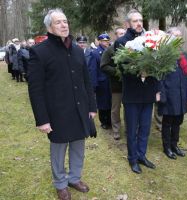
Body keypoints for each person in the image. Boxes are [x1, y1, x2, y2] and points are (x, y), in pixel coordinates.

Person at [27, 9, 97, 200]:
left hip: (79, 109)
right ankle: (60, 183)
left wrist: (91, 107)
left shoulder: (77, 50)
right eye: (58, 22)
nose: (64, 25)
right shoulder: (39, 52)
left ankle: (74, 178)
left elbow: (86, 81)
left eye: (65, 21)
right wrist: (42, 120)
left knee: (78, 147)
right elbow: (35, 89)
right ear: (49, 27)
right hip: (56, 112)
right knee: (58, 149)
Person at [114, 9, 159, 174]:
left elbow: (159, 64)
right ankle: (132, 158)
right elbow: (121, 67)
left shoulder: (151, 40)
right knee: (132, 129)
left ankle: (142, 155)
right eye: (135, 21)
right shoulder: (121, 42)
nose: (139, 23)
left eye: (140, 20)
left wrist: (155, 85)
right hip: (132, 93)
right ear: (127, 24)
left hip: (148, 93)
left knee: (145, 128)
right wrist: (138, 71)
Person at [157, 27, 187, 159]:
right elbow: (159, 77)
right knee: (168, 122)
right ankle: (167, 147)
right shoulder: (162, 53)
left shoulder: (184, 54)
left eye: (180, 36)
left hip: (181, 93)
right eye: (176, 35)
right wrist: (162, 95)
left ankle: (174, 145)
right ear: (168, 37)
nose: (179, 38)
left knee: (178, 121)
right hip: (169, 94)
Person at [101, 27, 126, 140]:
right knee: (115, 109)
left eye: (124, 33)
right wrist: (117, 72)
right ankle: (116, 130)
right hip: (116, 85)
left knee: (129, 109)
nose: (122, 35)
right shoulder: (110, 49)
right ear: (116, 35)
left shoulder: (130, 48)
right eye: (120, 33)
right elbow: (103, 66)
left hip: (129, 86)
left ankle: (129, 129)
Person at [88, 33, 112, 130]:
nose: (105, 43)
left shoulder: (111, 50)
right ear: (99, 41)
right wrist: (94, 84)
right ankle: (104, 121)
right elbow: (93, 70)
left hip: (111, 81)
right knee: (102, 103)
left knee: (111, 102)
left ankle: (110, 120)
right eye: (103, 41)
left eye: (107, 41)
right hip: (101, 82)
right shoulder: (95, 53)